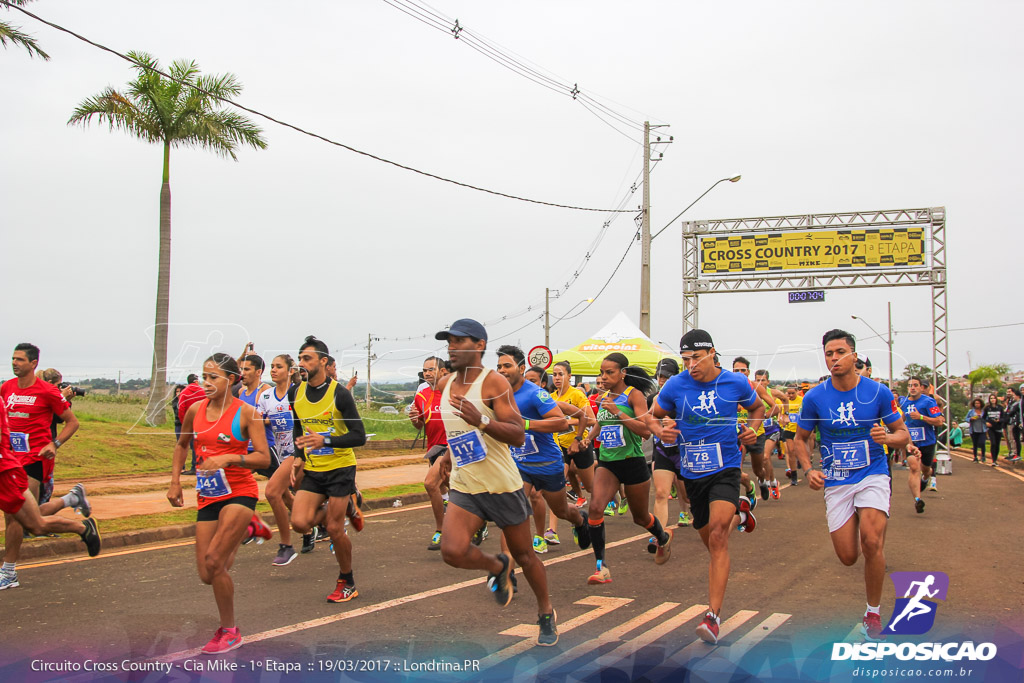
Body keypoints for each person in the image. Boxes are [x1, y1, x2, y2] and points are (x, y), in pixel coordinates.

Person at [432, 319, 558, 646]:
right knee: (452, 550)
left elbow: (517, 434)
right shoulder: (444, 384)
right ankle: (498, 566)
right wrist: (448, 456)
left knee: (526, 556)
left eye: (459, 342)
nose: (452, 348)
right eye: (449, 342)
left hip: (502, 484)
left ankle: (545, 611)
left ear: (479, 346)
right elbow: (456, 430)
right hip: (466, 485)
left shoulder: (494, 383)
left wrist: (482, 420)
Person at [791, 329, 909, 642]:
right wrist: (808, 469)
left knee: (872, 542)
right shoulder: (815, 397)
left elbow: (903, 435)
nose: (834, 359)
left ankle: (873, 611)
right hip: (837, 481)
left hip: (872, 473)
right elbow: (800, 439)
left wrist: (888, 437)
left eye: (840, 352)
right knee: (848, 557)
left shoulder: (877, 393)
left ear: (854, 356)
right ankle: (858, 516)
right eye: (829, 354)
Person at [651, 330, 763, 644]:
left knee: (717, 535)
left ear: (711, 353)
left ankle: (712, 615)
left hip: (726, 467)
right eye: (685, 359)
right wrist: (662, 430)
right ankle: (741, 513)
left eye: (696, 358)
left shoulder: (735, 382)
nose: (691, 365)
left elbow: (757, 409)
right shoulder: (675, 385)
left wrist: (753, 431)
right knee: (711, 539)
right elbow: (651, 418)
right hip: (693, 474)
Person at [167, 353, 270, 654]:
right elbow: (181, 445)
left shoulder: (247, 413)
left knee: (215, 561)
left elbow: (263, 458)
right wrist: (174, 481)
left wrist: (229, 457)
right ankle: (249, 528)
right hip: (209, 496)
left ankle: (230, 631)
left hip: (240, 491)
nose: (207, 382)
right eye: (204, 377)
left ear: (231, 379)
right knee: (207, 573)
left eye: (213, 377)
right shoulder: (195, 410)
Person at [1, 343, 94, 590]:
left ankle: (8, 572)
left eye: (20, 359)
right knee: (28, 517)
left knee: (17, 518)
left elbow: (72, 423)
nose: (14, 363)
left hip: (35, 458)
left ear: (33, 364)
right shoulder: (6, 388)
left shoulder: (48, 391)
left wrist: (55, 444)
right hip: (10, 459)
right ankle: (70, 500)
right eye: (12, 358)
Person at [496, 347, 591, 580]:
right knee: (511, 513)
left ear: (520, 368)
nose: (501, 371)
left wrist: (525, 425)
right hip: (519, 465)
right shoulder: (498, 395)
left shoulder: (535, 394)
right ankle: (505, 572)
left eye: (506, 366)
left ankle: (580, 520)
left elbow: (561, 423)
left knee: (560, 510)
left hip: (548, 463)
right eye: (498, 367)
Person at [287, 336, 368, 603]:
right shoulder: (295, 391)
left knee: (334, 529)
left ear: (323, 361)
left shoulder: (339, 394)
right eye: (300, 359)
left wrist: (326, 440)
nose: (301, 364)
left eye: (307, 358)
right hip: (313, 468)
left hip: (340, 468)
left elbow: (359, 436)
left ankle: (347, 581)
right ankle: (346, 506)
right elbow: (299, 424)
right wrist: (299, 455)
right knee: (299, 522)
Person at [585, 353, 672, 586]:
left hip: (633, 462)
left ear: (623, 373)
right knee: (595, 508)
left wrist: (619, 412)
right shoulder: (603, 397)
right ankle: (601, 567)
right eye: (602, 372)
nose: (604, 377)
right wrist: (587, 438)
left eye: (609, 372)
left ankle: (662, 536)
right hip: (608, 462)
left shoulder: (633, 396)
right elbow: (600, 424)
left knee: (640, 517)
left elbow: (645, 431)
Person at [259, 354, 301, 566]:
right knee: (293, 502)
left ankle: (286, 546)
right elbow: (256, 423)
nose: (273, 370)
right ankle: (319, 525)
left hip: (301, 453)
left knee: (272, 491)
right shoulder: (265, 397)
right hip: (281, 454)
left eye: (279, 367)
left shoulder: (298, 394)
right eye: (272, 367)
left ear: (290, 371)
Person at [549, 360, 597, 543]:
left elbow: (591, 420)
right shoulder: (551, 398)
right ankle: (551, 531)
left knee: (591, 487)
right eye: (554, 374)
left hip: (579, 445)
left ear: (569, 376)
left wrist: (568, 422)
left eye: (561, 374)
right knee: (556, 485)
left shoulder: (576, 395)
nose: (557, 378)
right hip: (559, 447)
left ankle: (599, 514)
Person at [649, 358, 691, 547]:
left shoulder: (684, 396)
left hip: (683, 451)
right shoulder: (655, 398)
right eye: (660, 376)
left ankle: (686, 510)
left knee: (687, 494)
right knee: (661, 493)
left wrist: (676, 424)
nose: (662, 380)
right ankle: (659, 534)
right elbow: (649, 419)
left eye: (667, 376)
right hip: (663, 450)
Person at [410, 356, 450, 550]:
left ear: (443, 372)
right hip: (433, 448)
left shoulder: (452, 392)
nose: (427, 373)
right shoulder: (421, 395)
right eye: (424, 370)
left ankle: (441, 531)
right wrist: (414, 419)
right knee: (448, 490)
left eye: (431, 369)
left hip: (450, 446)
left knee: (430, 483)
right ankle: (476, 520)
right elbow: (419, 423)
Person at [237, 353, 274, 545]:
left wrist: (255, 421)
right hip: (248, 449)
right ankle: (252, 523)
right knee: (235, 483)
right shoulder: (242, 393)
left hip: (268, 449)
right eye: (241, 369)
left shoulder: (265, 391)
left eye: (247, 369)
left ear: (258, 372)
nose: (242, 373)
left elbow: (275, 417)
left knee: (284, 492)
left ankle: (311, 524)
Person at [899, 376, 945, 511]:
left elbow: (939, 421)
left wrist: (921, 417)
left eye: (915, 385)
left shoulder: (929, 402)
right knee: (914, 467)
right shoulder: (904, 402)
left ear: (921, 388)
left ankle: (926, 477)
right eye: (910, 385)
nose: (912, 388)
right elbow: (901, 420)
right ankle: (918, 500)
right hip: (911, 442)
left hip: (927, 441)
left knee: (925, 469)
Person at [178, 374, 205, 474]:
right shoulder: (203, 391)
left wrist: (184, 424)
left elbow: (181, 409)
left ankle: (186, 467)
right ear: (196, 381)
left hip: (189, 423)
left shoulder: (184, 393)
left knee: (185, 445)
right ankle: (197, 466)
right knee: (199, 445)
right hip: (202, 422)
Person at [982, 394, 1003, 467]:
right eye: (991, 398)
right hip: (991, 428)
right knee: (993, 443)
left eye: (994, 398)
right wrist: (986, 423)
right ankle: (993, 460)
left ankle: (995, 459)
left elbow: (1004, 417)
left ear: (996, 399)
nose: (992, 400)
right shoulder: (987, 408)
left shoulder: (1000, 408)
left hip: (998, 428)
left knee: (997, 444)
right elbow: (983, 418)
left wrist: (999, 420)